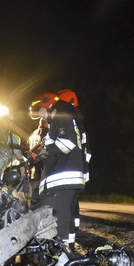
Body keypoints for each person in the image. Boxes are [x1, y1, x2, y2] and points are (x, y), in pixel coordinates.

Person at [36, 90, 88, 252]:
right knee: (66, 219)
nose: (41, 117)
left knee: (58, 222)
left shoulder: (60, 116)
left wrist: (43, 151)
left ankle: (61, 259)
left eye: (41, 112)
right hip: (69, 178)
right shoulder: (67, 119)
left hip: (62, 179)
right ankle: (66, 253)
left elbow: (65, 144)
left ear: (48, 106)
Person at [56, 88, 90, 239]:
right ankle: (73, 235)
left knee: (68, 207)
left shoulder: (68, 121)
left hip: (71, 171)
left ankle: (68, 242)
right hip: (80, 171)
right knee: (73, 206)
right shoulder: (78, 123)